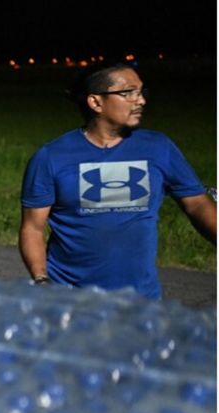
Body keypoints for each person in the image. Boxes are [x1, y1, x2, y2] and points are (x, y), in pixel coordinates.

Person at [19, 63, 216, 299]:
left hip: (141, 301)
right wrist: (41, 279)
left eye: (141, 92)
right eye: (128, 93)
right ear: (96, 102)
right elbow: (33, 227)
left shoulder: (158, 147)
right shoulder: (51, 157)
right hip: (69, 300)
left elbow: (197, 203)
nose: (140, 100)